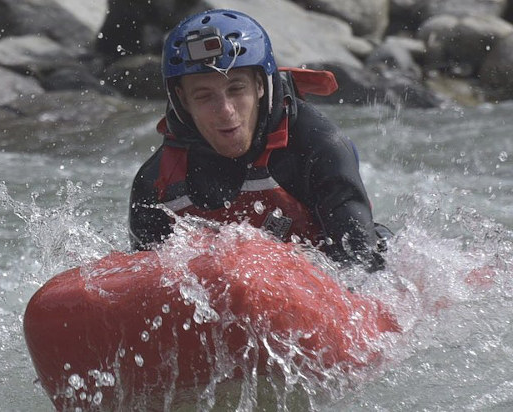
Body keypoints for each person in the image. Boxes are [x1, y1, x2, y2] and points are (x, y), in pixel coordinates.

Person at [128, 8, 389, 271]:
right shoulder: (155, 184)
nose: (225, 110)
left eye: (236, 89)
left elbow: (360, 267)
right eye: (204, 96)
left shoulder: (318, 146)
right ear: (183, 101)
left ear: (260, 86)